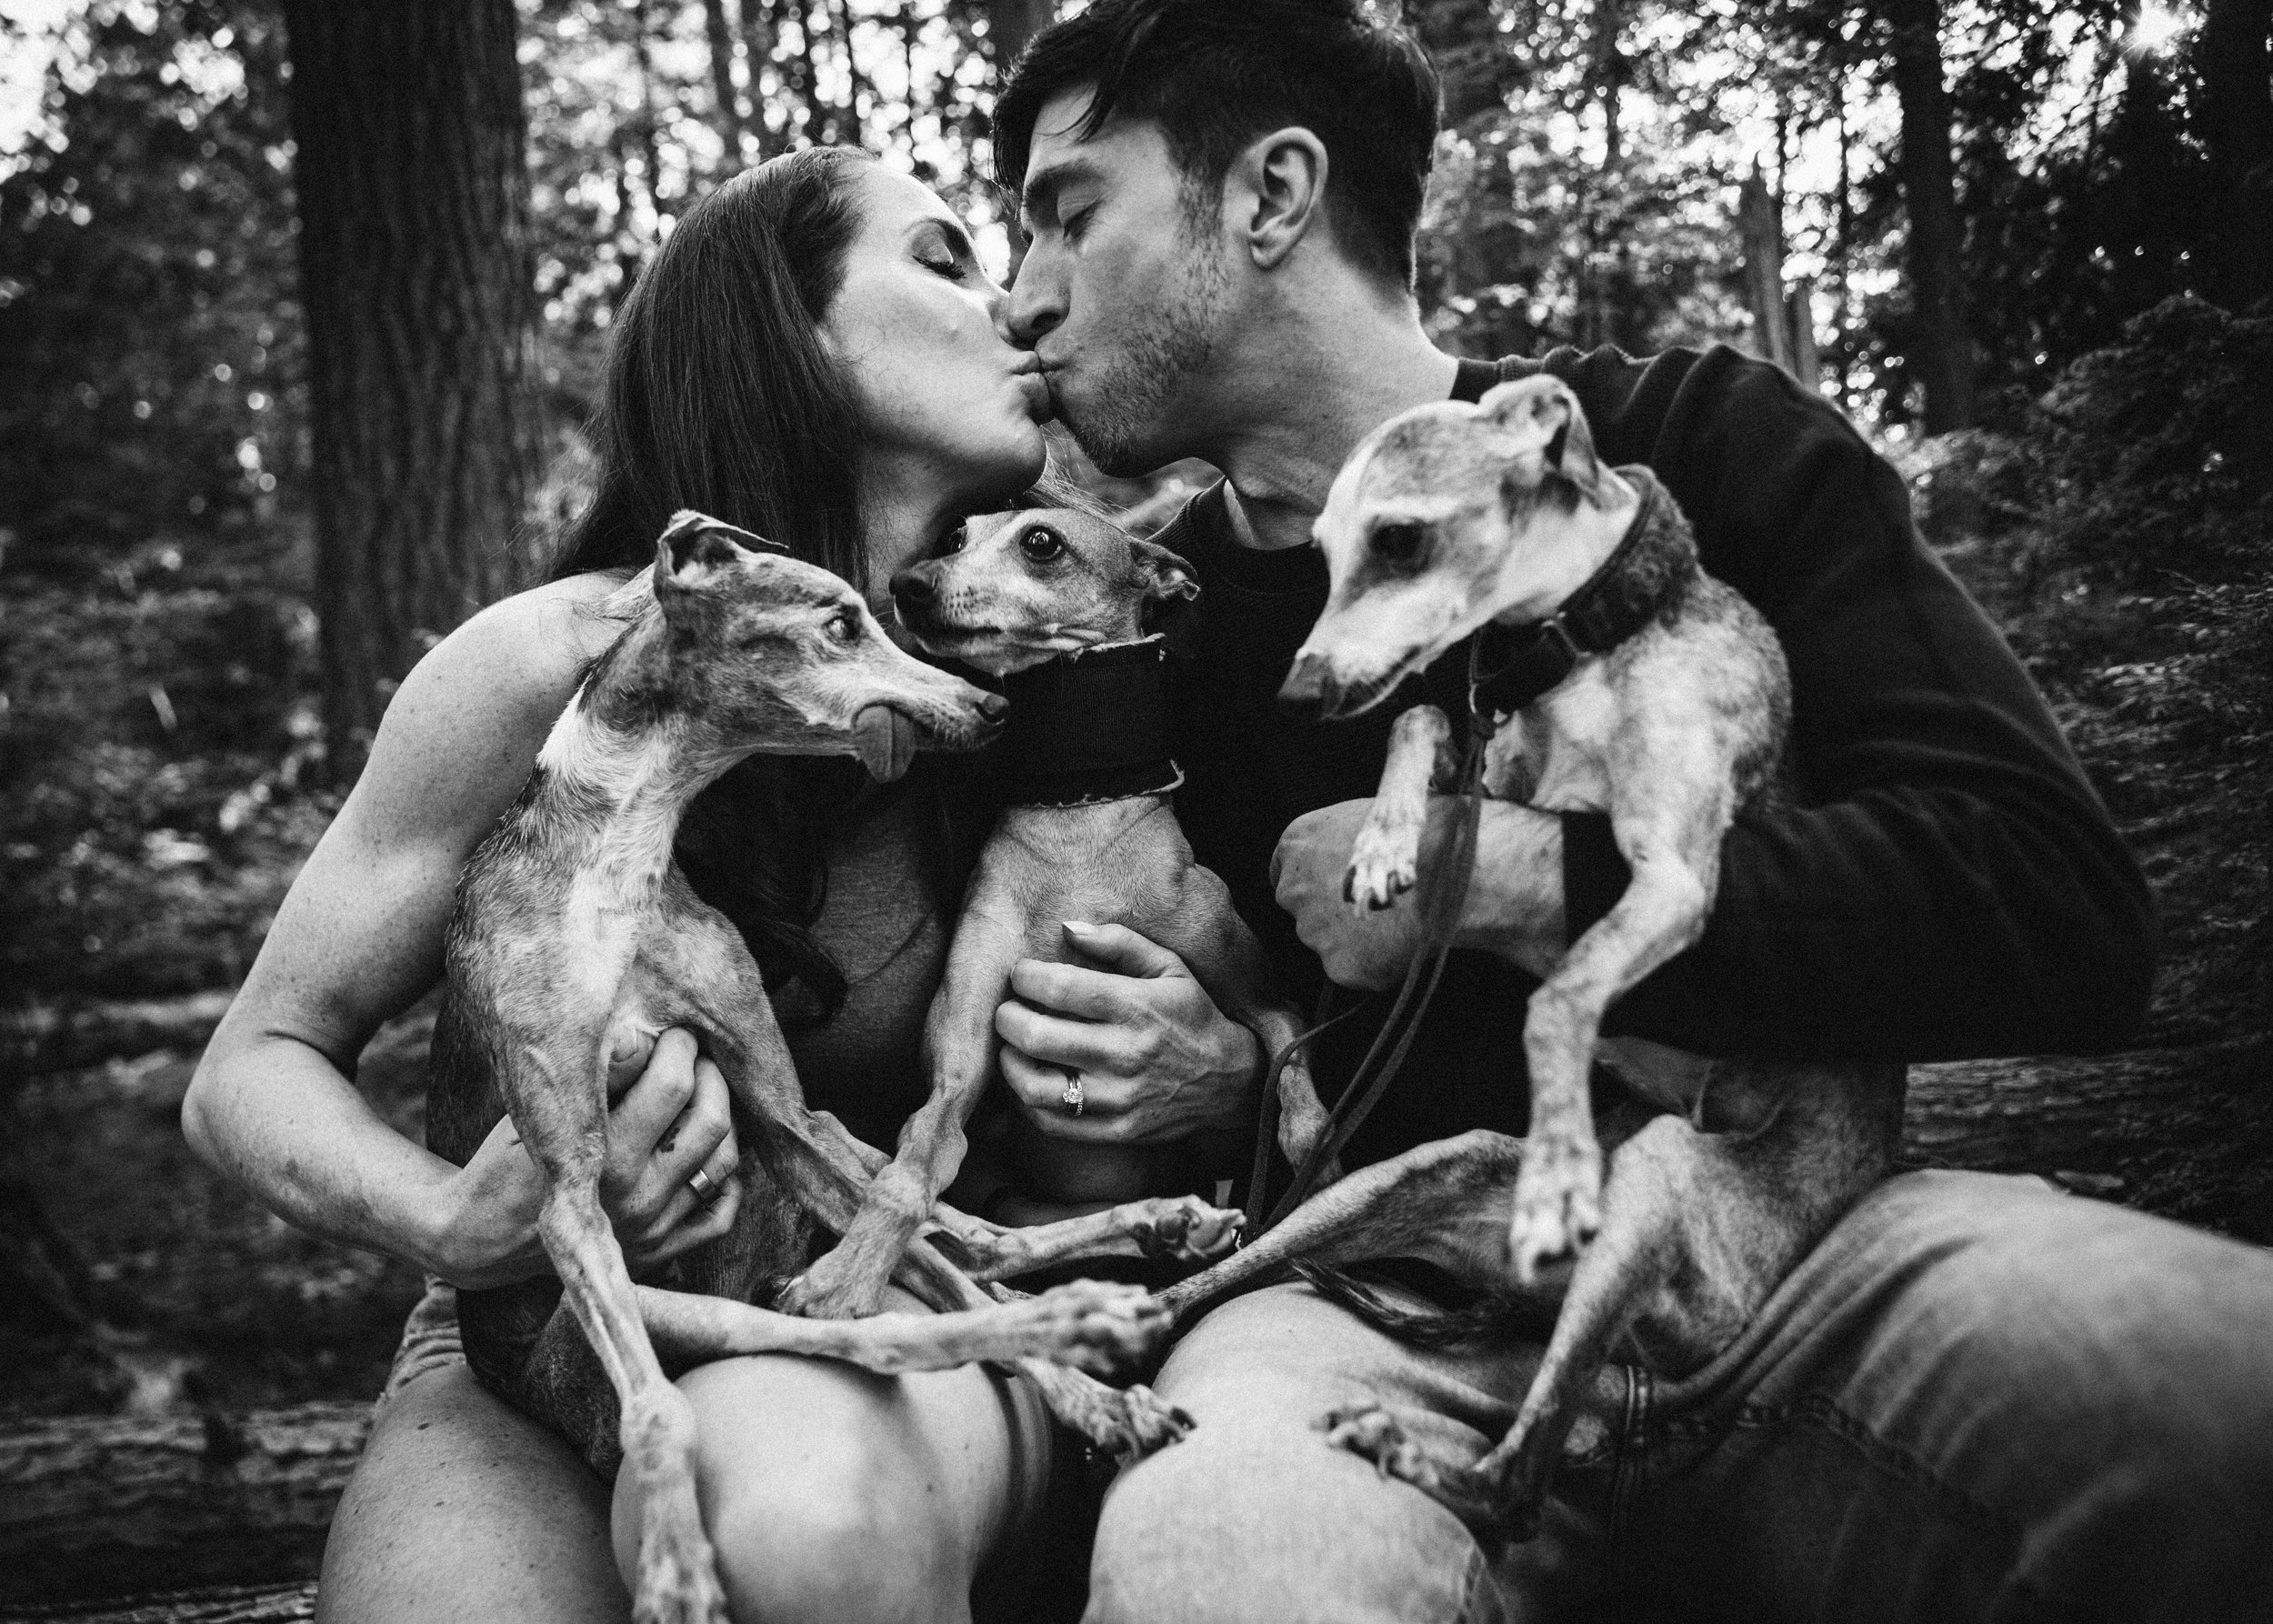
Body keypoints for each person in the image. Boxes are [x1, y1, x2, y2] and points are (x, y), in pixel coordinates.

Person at [974, 1, 2273, 1619]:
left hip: (1795, 1260)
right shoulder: (1143, 618)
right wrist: (1237, 1070)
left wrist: (1516, 874)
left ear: (1269, 197)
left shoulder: (1699, 446)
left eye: (1069, 213)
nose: (1022, 297)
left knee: (2215, 1392)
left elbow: (2050, 906)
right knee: (1227, 1568)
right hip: (1370, 1310)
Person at [180, 146, 1258, 1624]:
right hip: (554, 1328)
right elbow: (252, 1066)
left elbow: (1268, 981)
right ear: (787, 338)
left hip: (909, 1290)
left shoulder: (1055, 653)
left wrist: (1223, 1071)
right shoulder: (554, 669)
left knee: (800, 1531)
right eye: (943, 261)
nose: (1017, 306)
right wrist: (455, 1223)